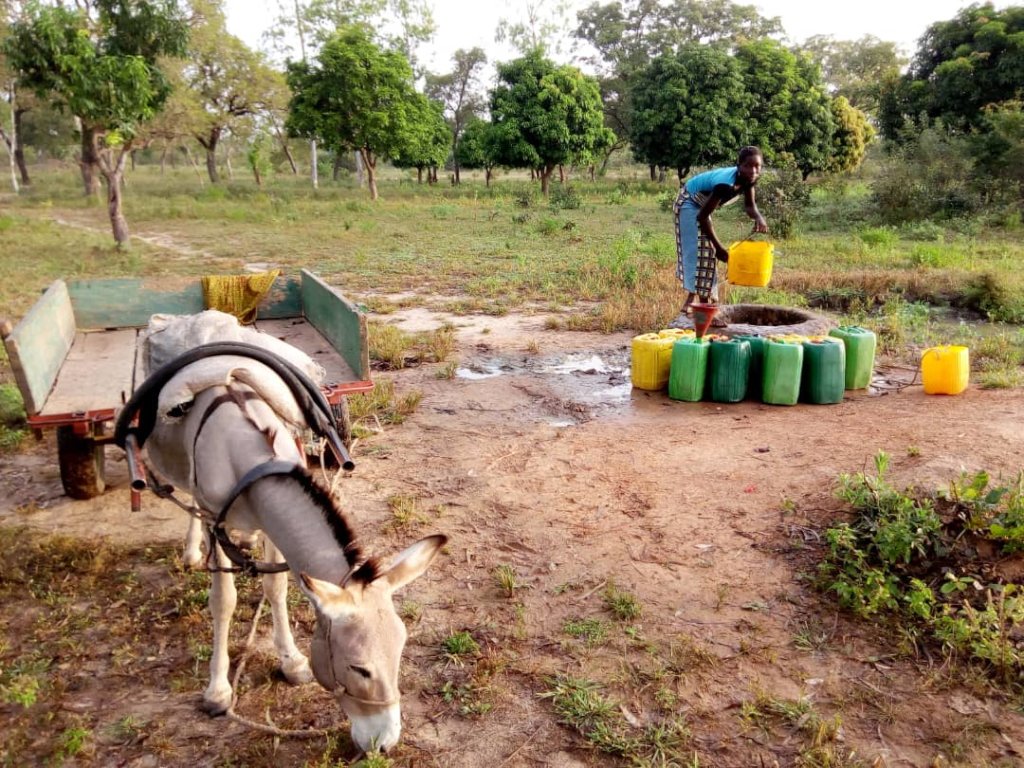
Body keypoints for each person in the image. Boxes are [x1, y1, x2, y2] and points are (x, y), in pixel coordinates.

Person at [672, 146, 769, 315]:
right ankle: (705, 311)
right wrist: (719, 249)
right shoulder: (725, 184)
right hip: (688, 203)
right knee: (705, 252)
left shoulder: (749, 179)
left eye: (757, 166)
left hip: (701, 207)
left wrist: (759, 218)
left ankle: (693, 301)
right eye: (748, 166)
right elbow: (702, 217)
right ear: (739, 166)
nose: (753, 170)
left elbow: (750, 206)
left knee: (704, 253)